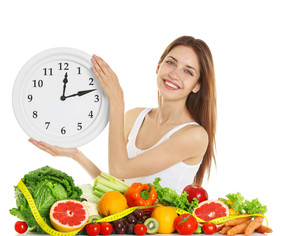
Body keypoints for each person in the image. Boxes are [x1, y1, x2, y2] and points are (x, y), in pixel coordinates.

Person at [29, 36, 216, 193]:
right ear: (158, 66)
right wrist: (77, 156)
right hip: (130, 233)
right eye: (170, 62)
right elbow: (116, 186)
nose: (174, 74)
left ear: (197, 85)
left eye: (188, 71)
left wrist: (116, 100)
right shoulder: (135, 118)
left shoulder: (194, 136)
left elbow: (119, 169)